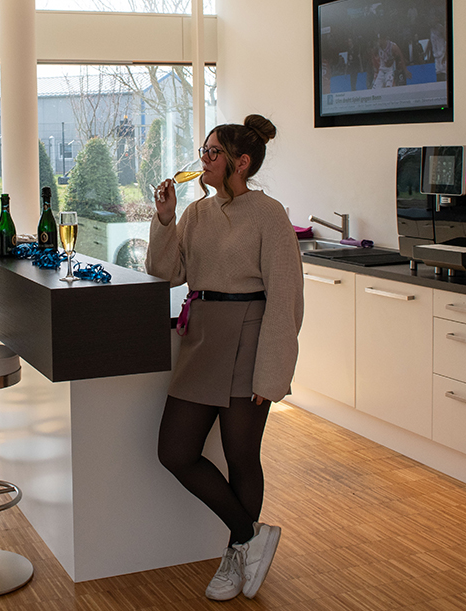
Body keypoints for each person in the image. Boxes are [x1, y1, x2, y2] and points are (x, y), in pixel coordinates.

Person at [146, 115, 303, 601]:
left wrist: (274, 371)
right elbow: (164, 271)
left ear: (241, 162)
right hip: (203, 336)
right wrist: (166, 218)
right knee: (174, 451)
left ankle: (236, 553)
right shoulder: (195, 213)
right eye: (204, 151)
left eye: (213, 153)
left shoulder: (269, 214)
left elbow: (286, 298)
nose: (204, 160)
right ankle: (250, 534)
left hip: (251, 337)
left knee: (241, 456)